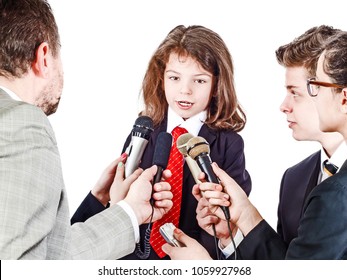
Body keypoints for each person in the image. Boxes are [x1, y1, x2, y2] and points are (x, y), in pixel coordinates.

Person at [0, 0, 173, 260]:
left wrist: (95, 202)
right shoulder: (23, 123)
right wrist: (130, 212)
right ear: (44, 57)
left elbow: (41, 251)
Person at [163, 26, 347, 260]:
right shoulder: (294, 179)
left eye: (298, 92)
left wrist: (206, 269)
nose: (283, 105)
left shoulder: (337, 191)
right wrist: (238, 228)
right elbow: (287, 263)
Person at [72, 24, 252, 260]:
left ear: (217, 85)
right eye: (175, 78)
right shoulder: (143, 133)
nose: (185, 91)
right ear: (162, 78)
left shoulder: (229, 144)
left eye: (199, 81)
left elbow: (231, 221)